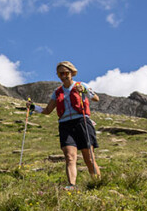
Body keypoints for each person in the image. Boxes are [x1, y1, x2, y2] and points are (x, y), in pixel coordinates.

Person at [27, 61, 101, 190]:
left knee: (88, 157)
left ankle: (97, 183)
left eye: (66, 73)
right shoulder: (57, 92)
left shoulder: (81, 85)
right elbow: (48, 110)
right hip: (65, 125)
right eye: (60, 73)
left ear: (72, 73)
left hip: (82, 122)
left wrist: (84, 90)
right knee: (69, 156)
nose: (63, 76)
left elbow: (96, 98)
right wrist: (34, 107)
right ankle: (72, 185)